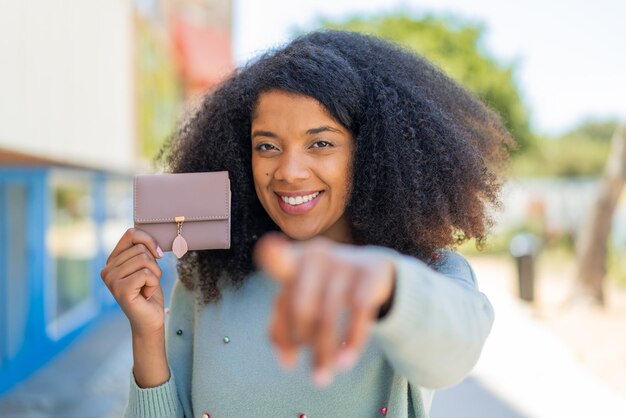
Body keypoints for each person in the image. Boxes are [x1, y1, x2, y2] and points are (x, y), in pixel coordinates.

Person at [100, 30, 514, 418]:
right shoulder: (209, 276)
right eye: (267, 146)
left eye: (320, 143)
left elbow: (456, 350)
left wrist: (387, 285)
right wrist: (148, 332)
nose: (289, 172)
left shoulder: (424, 271)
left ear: (372, 152)